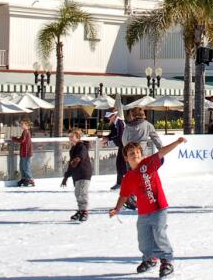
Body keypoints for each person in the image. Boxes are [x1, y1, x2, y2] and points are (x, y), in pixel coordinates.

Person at [110, 137, 188, 278]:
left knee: (159, 233)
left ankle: (167, 260)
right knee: (144, 238)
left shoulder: (149, 163)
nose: (135, 155)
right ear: (126, 159)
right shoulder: (128, 177)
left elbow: (162, 152)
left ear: (142, 153)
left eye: (137, 152)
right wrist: (117, 209)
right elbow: (124, 195)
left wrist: (177, 142)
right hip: (143, 213)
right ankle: (150, 258)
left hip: (159, 208)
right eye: (131, 154)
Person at [61, 130, 93, 221]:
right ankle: (80, 210)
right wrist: (66, 176)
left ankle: (84, 211)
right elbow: (71, 164)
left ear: (78, 137)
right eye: (69, 136)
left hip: (84, 172)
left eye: (72, 136)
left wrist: (77, 159)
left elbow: (81, 155)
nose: (70, 138)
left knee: (83, 192)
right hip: (76, 174)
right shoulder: (72, 149)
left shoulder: (82, 146)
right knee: (77, 193)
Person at [103, 110, 127, 190]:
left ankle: (125, 183)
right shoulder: (115, 123)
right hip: (121, 146)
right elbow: (113, 133)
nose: (109, 118)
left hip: (125, 146)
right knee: (119, 164)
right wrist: (106, 137)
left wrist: (108, 138)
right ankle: (119, 183)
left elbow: (120, 136)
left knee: (124, 165)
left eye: (110, 116)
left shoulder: (120, 123)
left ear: (114, 115)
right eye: (108, 117)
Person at [11, 118, 35, 187]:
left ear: (26, 125)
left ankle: (29, 179)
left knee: (26, 166)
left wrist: (14, 139)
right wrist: (16, 138)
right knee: (21, 166)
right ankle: (24, 178)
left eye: (22, 124)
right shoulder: (25, 131)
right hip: (23, 152)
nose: (21, 125)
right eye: (21, 124)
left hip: (26, 152)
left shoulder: (26, 131)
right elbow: (22, 140)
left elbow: (22, 140)